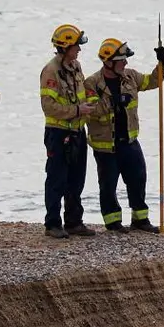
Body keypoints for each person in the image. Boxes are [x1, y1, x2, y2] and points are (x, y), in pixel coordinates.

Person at [83, 37, 164, 233]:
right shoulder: (92, 83)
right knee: (108, 184)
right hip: (105, 145)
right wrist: (116, 100)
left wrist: (163, 63)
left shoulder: (130, 77)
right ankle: (113, 223)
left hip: (129, 141)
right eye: (122, 60)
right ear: (109, 62)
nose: (126, 63)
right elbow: (93, 109)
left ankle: (140, 219)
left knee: (138, 178)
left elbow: (153, 81)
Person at [39, 23, 101, 239]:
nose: (79, 50)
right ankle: (53, 224)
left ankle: (74, 221)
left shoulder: (76, 67)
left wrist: (91, 105)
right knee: (57, 179)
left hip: (77, 131)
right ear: (65, 47)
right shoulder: (51, 71)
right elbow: (48, 106)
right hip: (58, 133)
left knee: (77, 179)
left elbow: (83, 92)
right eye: (76, 46)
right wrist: (76, 110)